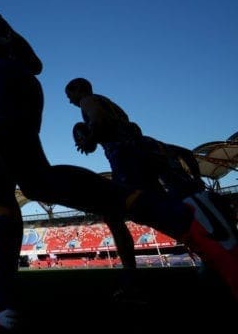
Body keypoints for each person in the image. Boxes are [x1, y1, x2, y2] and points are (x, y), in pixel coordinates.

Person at [0, 0, 238, 329]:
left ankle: (180, 217)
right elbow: (36, 63)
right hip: (26, 89)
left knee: (36, 182)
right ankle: (3, 303)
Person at [65, 77, 238, 298]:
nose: (69, 101)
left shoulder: (87, 101)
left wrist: (90, 138)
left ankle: (133, 280)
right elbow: (184, 152)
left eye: (69, 95)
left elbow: (99, 121)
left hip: (126, 159)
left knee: (114, 212)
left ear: (78, 89)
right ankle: (211, 248)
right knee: (156, 211)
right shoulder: (115, 108)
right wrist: (196, 177)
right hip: (143, 153)